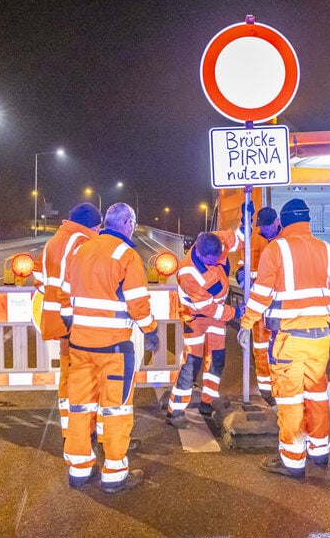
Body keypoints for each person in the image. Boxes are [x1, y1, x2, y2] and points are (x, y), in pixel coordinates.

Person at [238, 198, 330, 479]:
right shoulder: (328, 250)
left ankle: (292, 460)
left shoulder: (276, 249)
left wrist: (246, 322)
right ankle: (320, 450)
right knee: (317, 393)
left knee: (289, 399)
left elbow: (262, 294)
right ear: (308, 220)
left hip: (289, 337)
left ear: (283, 222)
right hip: (320, 338)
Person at [60, 202, 159, 493]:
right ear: (128, 223)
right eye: (133, 223)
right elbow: (138, 304)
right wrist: (151, 332)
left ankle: (79, 469)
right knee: (115, 409)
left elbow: (67, 297)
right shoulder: (126, 255)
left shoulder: (81, 250)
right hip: (114, 348)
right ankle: (114, 474)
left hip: (80, 346)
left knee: (80, 407)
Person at [167, 212, 246, 428]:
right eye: (213, 260)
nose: (219, 261)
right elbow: (206, 308)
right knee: (192, 363)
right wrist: (235, 313)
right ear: (200, 255)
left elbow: (238, 238)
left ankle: (206, 403)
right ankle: (175, 411)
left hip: (216, 316)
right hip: (196, 318)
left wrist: (245, 222)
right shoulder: (188, 273)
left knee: (217, 359)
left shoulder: (216, 241)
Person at [33, 202, 102, 438]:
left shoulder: (56, 240)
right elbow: (89, 282)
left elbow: (38, 273)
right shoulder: (82, 242)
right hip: (77, 319)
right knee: (87, 377)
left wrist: (50, 292)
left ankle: (69, 430)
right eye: (98, 226)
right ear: (92, 225)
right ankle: (87, 432)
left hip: (59, 319)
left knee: (68, 374)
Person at [235, 205, 282, 406]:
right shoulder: (253, 238)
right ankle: (266, 391)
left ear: (277, 222)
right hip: (259, 305)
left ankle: (282, 386)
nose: (264, 231)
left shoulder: (284, 242)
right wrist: (243, 278)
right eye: (261, 227)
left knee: (281, 350)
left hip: (281, 306)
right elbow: (241, 266)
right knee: (260, 348)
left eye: (267, 227)